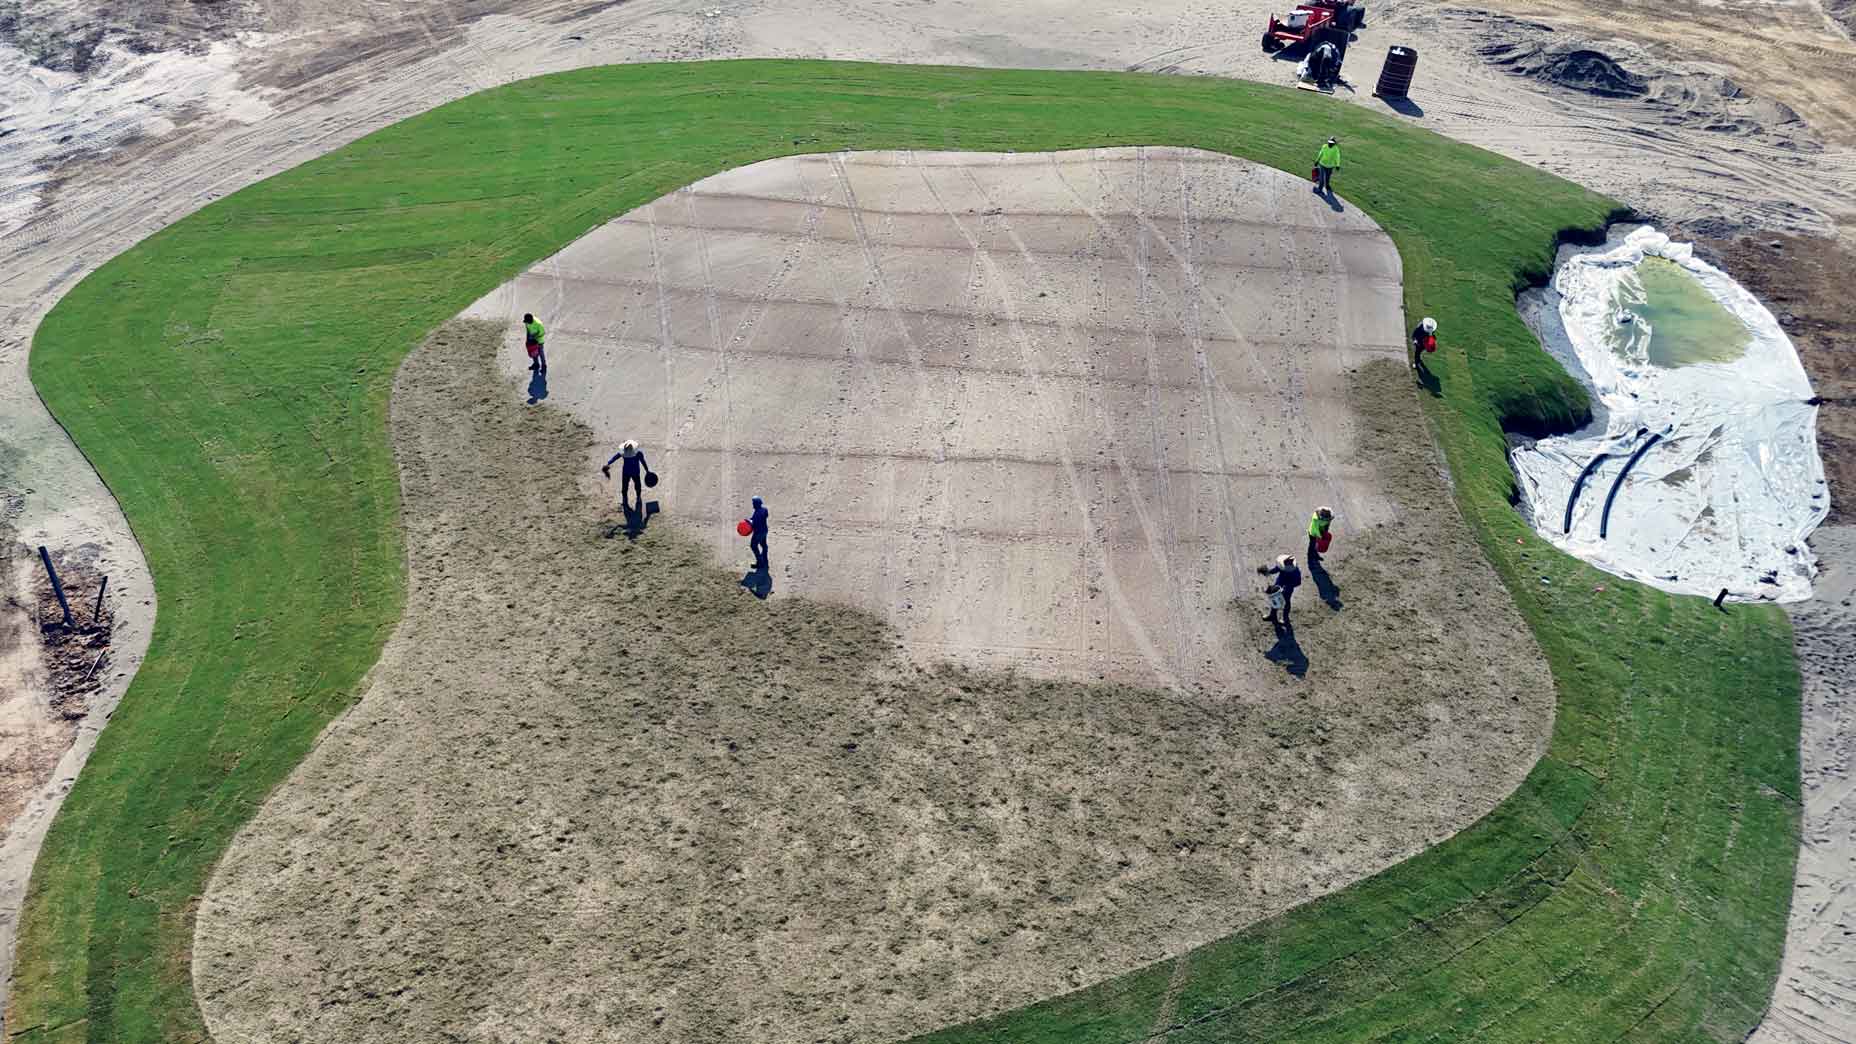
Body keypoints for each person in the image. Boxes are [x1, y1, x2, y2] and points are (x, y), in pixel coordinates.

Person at [601, 440, 650, 511]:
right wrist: (647, 470)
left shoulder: (624, 453)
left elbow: (615, 457)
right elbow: (643, 462)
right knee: (637, 485)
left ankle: (625, 500)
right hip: (635, 472)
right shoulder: (639, 453)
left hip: (626, 472)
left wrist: (608, 463)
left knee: (625, 487)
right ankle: (638, 498)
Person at [1258, 554, 1303, 627]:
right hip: (1279, 584)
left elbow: (1298, 582)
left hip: (1287, 589)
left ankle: (1285, 619)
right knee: (1274, 600)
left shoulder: (1296, 571)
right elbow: (1276, 569)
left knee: (1286, 602)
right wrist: (1268, 571)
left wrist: (1287, 586)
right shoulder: (1282, 565)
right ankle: (1272, 615)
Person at [748, 495, 769, 570]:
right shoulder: (764, 510)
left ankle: (760, 562)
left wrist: (748, 522)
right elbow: (765, 516)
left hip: (758, 533)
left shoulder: (757, 513)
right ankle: (765, 559)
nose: (752, 504)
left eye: (753, 503)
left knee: (753, 546)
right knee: (764, 545)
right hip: (765, 531)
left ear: (756, 504)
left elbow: (754, 524)